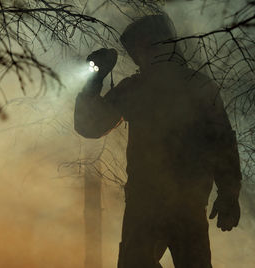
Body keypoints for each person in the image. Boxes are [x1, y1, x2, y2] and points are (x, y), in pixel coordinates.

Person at [74, 14, 242, 268]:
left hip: (147, 205)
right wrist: (229, 194)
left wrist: (94, 79)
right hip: (187, 204)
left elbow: (90, 125)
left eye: (138, 48)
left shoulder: (139, 87)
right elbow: (222, 143)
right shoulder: (200, 85)